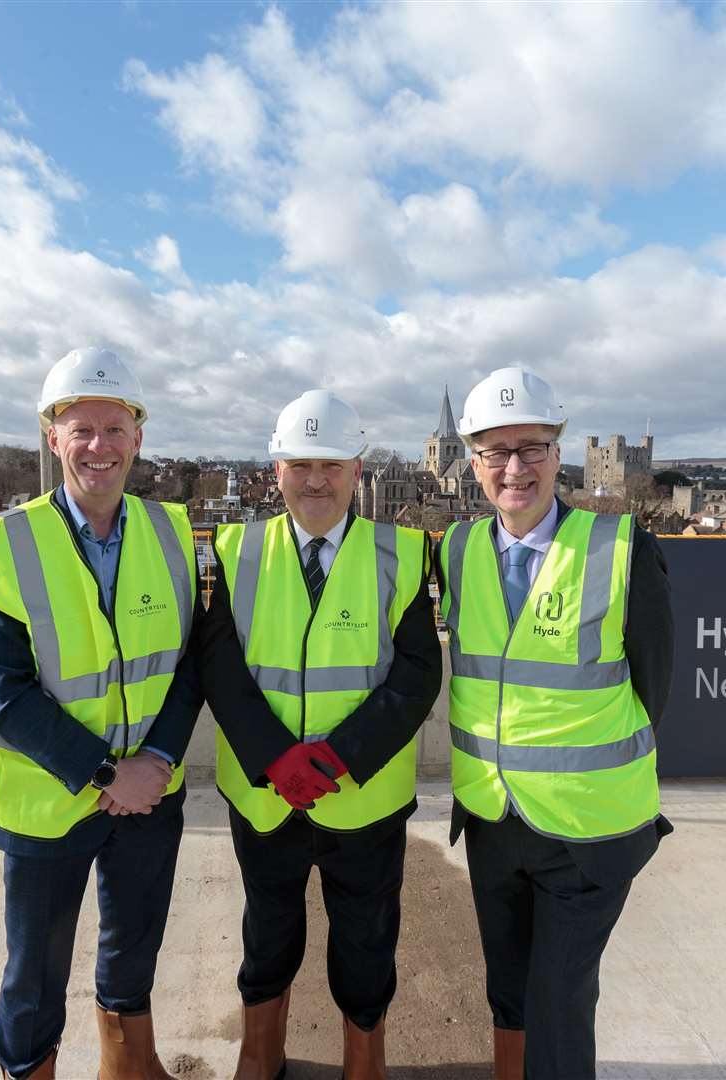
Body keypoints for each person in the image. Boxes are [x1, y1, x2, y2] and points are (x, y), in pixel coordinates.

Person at [0, 347, 202, 1080]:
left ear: (138, 437)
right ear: (52, 436)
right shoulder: (2, 545)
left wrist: (152, 764)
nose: (100, 446)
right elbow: (5, 698)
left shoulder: (173, 533)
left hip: (150, 795)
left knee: (134, 947)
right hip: (47, 801)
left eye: (115, 427)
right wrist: (105, 775)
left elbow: (189, 664)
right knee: (35, 971)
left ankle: (129, 1068)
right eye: (81, 429)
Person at [438, 366, 674, 1080]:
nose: (515, 468)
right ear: (473, 462)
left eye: (533, 448)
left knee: (558, 998)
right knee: (507, 992)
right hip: (491, 819)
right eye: (496, 451)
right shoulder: (457, 550)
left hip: (589, 832)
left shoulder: (621, 548)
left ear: (558, 453)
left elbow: (653, 684)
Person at [200, 389, 441, 1080]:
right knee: (267, 931)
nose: (315, 480)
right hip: (265, 795)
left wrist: (334, 759)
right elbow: (218, 665)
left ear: (357, 470)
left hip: (360, 801)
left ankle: (364, 1061)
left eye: (332, 464)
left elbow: (418, 673)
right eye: (299, 464)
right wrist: (277, 760)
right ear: (275, 471)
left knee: (366, 941)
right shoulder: (234, 548)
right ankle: (260, 1053)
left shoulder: (401, 552)